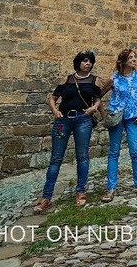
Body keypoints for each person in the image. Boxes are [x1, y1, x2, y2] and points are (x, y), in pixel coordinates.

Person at [33, 50, 104, 212]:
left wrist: (93, 108)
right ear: (78, 62)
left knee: (82, 156)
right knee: (56, 158)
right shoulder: (67, 79)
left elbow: (98, 100)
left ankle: (80, 192)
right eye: (85, 61)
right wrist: (55, 111)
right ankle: (46, 197)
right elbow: (52, 98)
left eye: (90, 61)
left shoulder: (95, 80)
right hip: (63, 120)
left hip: (83, 120)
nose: (88, 64)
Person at [101, 48, 137, 202]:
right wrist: (104, 114)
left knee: (135, 151)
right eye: (131, 58)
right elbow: (98, 96)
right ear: (122, 62)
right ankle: (111, 188)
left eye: (134, 57)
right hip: (117, 117)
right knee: (114, 152)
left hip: (134, 118)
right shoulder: (114, 78)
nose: (134, 60)